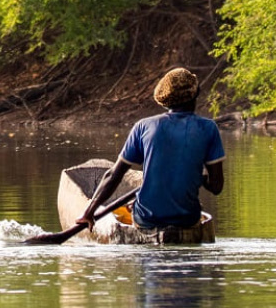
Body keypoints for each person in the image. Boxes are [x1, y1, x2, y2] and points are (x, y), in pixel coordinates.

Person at [75, 67, 225, 235]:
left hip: (147, 220)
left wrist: (89, 212)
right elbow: (217, 187)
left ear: (165, 100)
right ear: (196, 94)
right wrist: (201, 177)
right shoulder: (208, 128)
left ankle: (135, 207)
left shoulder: (143, 126)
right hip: (187, 219)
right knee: (192, 209)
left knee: (136, 206)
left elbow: (114, 175)